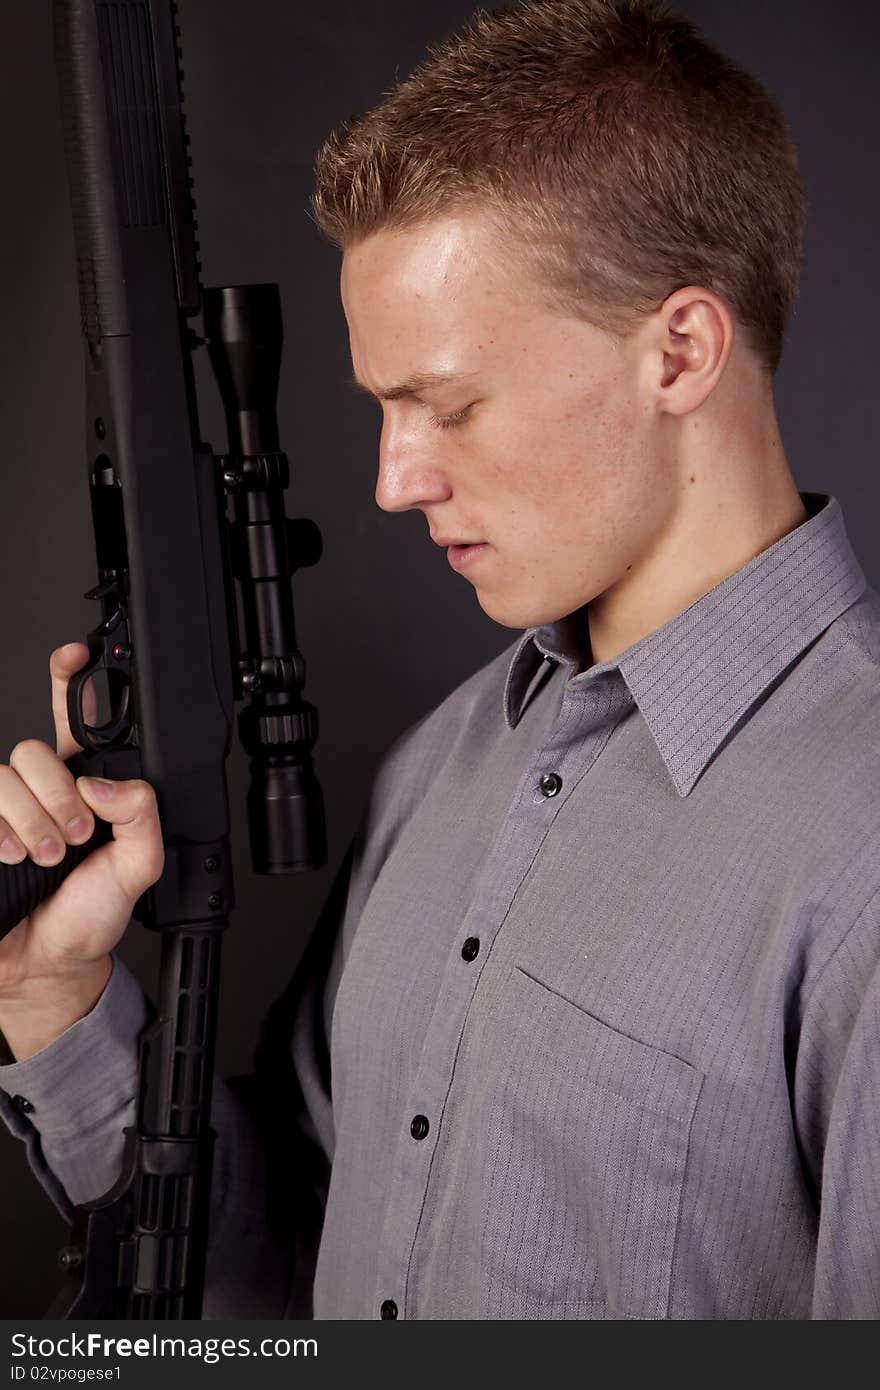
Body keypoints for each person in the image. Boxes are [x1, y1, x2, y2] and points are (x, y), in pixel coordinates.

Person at [1, 0, 878, 1320]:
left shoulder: (860, 839)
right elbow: (286, 1270)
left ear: (680, 350)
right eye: (382, 408)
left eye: (451, 405)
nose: (395, 480)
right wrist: (60, 998)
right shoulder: (445, 761)